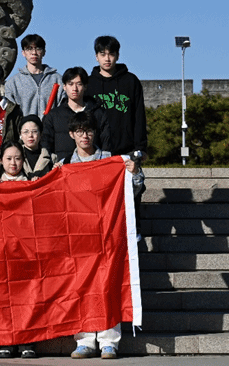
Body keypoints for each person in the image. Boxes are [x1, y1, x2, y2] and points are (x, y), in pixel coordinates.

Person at [55, 111, 145, 360]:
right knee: (80, 288)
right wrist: (54, 177)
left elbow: (134, 189)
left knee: (109, 286)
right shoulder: (65, 165)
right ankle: (84, 340)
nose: (85, 135)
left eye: (89, 130)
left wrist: (134, 172)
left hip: (107, 235)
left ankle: (109, 341)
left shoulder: (110, 160)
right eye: (80, 131)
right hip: (78, 237)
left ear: (95, 133)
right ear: (71, 134)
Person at [0, 141, 37, 360]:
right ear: (1, 161)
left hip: (26, 251)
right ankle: (5, 341)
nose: (13, 163)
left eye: (18, 158)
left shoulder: (32, 184)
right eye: (8, 158)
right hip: (1, 251)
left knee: (27, 297)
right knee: (3, 296)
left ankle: (28, 341)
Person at [85, 36, 147, 156]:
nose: (107, 59)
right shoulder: (88, 84)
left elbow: (139, 116)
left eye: (111, 54)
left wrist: (141, 147)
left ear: (117, 56)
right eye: (103, 54)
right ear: (96, 57)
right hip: (95, 151)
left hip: (127, 151)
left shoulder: (131, 81)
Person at [42, 67, 111, 158]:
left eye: (79, 84)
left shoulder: (98, 113)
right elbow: (46, 146)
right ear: (64, 87)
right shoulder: (54, 115)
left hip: (93, 163)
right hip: (63, 165)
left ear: (85, 86)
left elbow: (106, 143)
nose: (75, 88)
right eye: (70, 84)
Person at [4, 34, 64, 118]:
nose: (34, 53)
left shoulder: (57, 79)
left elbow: (63, 108)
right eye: (29, 49)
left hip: (51, 126)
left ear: (44, 52)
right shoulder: (13, 82)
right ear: (23, 53)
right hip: (24, 126)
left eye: (38, 49)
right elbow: (10, 112)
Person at [18, 115, 55, 180]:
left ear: (40, 134)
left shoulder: (52, 158)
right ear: (20, 135)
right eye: (26, 132)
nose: (30, 135)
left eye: (34, 131)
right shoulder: (14, 156)